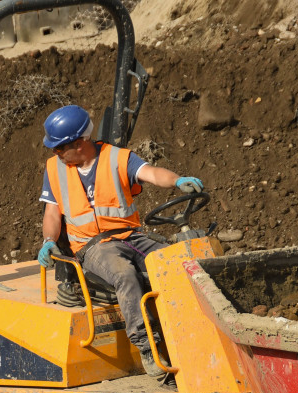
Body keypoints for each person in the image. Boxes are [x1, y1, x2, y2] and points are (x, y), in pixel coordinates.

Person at [36, 105, 203, 378]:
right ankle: (146, 346)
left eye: (59, 148)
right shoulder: (54, 169)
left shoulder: (117, 158)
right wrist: (48, 240)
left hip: (132, 236)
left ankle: (194, 330)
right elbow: (52, 212)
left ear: (79, 143)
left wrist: (177, 180)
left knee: (181, 259)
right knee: (124, 274)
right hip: (92, 248)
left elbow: (152, 173)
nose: (55, 153)